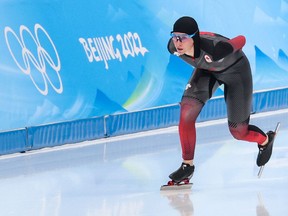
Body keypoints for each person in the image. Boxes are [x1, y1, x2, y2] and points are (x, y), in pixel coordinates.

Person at [167, 16, 276, 183]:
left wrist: (229, 46)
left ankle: (265, 140)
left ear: (194, 38)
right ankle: (187, 166)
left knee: (239, 131)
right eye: (175, 36)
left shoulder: (215, 48)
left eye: (183, 37)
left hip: (236, 72)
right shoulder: (172, 47)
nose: (178, 42)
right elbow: (183, 44)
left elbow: (242, 39)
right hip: (207, 70)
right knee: (187, 111)